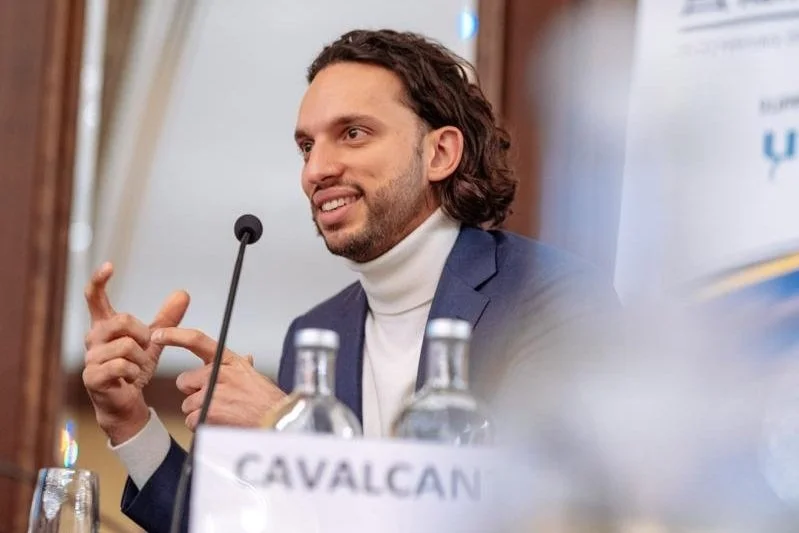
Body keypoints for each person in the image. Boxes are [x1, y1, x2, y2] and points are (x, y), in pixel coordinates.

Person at [82, 29, 618, 532]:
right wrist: (131, 423)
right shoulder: (317, 333)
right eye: (306, 147)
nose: (317, 169)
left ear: (440, 153)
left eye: (353, 134)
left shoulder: (551, 298)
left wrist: (294, 427)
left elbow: (544, 514)